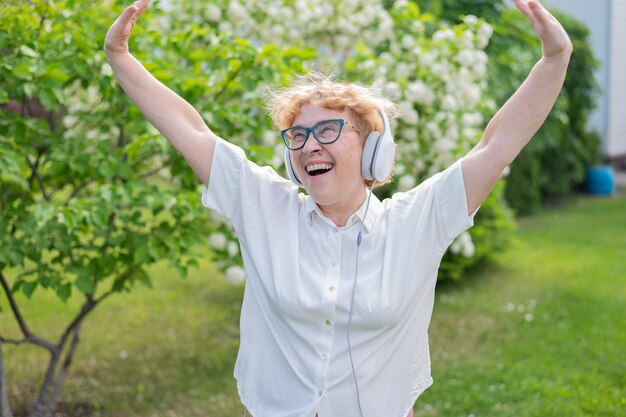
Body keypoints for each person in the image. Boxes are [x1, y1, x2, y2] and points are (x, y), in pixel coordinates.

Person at [104, 1, 572, 416]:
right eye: (299, 136)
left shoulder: (416, 222)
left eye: (328, 131)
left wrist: (554, 59)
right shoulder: (263, 205)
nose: (310, 146)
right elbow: (192, 131)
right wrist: (120, 58)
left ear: (373, 150)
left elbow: (495, 145)